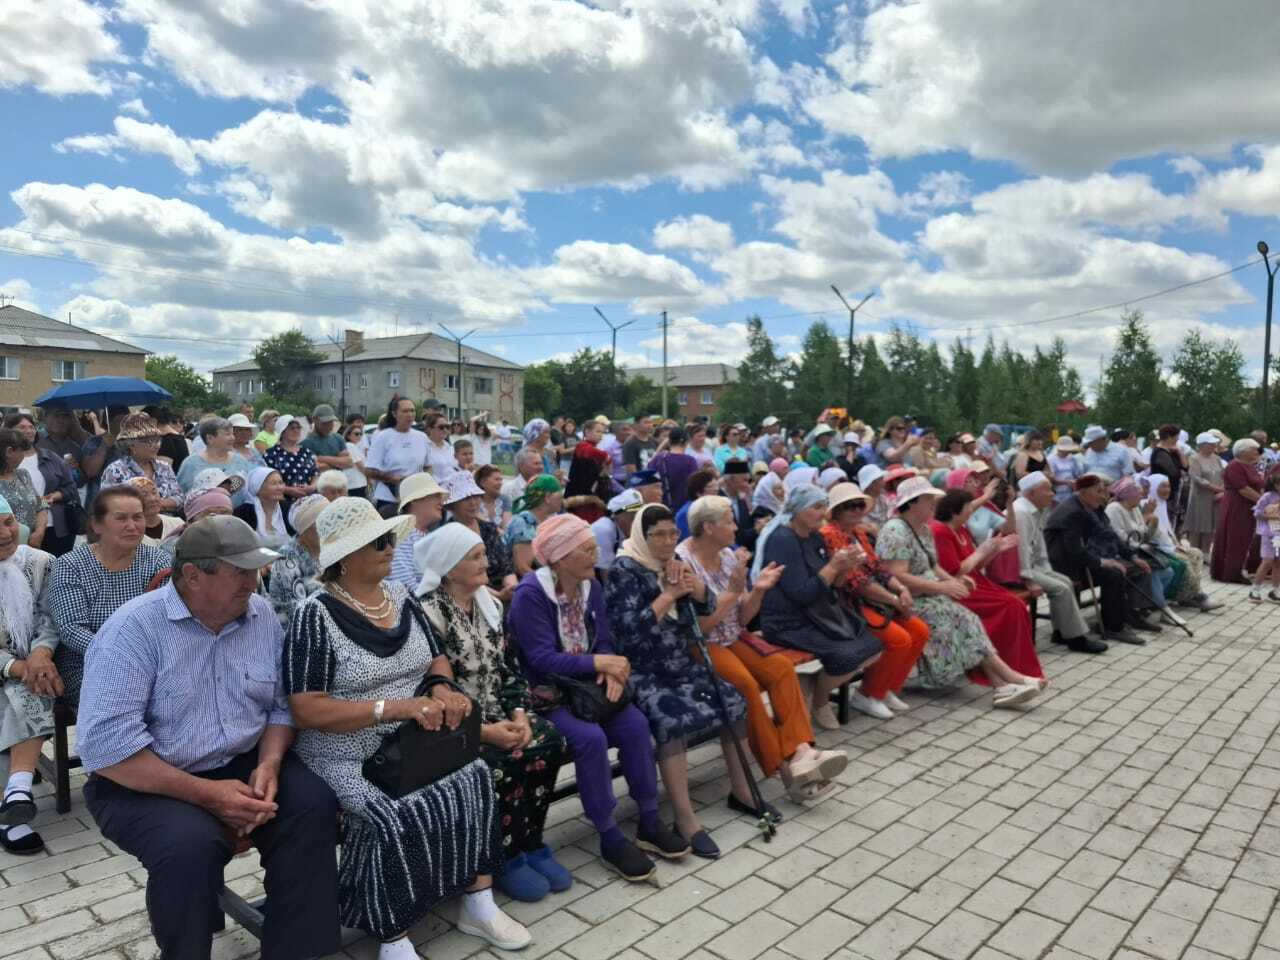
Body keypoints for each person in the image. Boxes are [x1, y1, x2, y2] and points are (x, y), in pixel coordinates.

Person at [78, 516, 341, 960]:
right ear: (193, 576)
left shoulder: (259, 614)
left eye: (255, 569)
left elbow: (280, 705)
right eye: (239, 571)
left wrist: (269, 764)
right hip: (146, 777)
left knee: (312, 805)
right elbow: (108, 749)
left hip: (241, 758)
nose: (253, 582)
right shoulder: (132, 631)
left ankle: (296, 948)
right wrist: (209, 796)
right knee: (189, 847)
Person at [283, 498, 528, 955]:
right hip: (346, 754)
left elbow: (436, 658)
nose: (390, 547)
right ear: (346, 556)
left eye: (389, 538)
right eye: (378, 542)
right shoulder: (313, 616)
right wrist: (393, 708)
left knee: (474, 776)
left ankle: (477, 902)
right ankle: (393, 935)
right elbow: (306, 709)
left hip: (412, 740)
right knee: (391, 812)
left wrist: (441, 688)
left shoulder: (400, 597)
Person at [415, 525, 572, 902]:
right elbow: (429, 688)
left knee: (548, 741)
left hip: (500, 712)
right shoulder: (426, 614)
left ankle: (531, 842)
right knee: (498, 761)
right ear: (449, 567)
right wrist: (485, 731)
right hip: (452, 726)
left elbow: (509, 669)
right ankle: (503, 857)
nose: (486, 563)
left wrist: (519, 714)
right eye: (475, 557)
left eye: (484, 554)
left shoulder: (489, 604)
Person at [507, 516, 668, 881]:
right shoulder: (531, 594)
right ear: (560, 557)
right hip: (548, 694)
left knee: (636, 725)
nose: (595, 555)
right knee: (589, 739)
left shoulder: (590, 585)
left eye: (594, 547)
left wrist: (609, 669)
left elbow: (604, 639)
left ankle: (649, 817)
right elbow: (541, 659)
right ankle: (609, 835)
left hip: (588, 687)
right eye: (586, 549)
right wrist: (599, 663)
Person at [679, 496, 848, 805]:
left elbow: (742, 618)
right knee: (745, 685)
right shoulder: (684, 564)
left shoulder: (727, 555)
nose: (736, 527)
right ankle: (786, 770)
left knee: (781, 669)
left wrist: (758, 589)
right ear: (708, 527)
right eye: (729, 521)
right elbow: (700, 629)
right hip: (701, 645)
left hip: (733, 637)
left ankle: (801, 752)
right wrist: (733, 591)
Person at [606, 505, 746, 859]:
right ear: (643, 536)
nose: (669, 541)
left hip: (681, 663)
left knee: (733, 701)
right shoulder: (624, 569)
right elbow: (628, 633)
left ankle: (743, 792)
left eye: (673, 533)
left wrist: (695, 589)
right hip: (643, 671)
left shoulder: (674, 563)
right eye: (659, 535)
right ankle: (686, 820)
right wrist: (667, 595)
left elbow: (705, 609)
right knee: (671, 721)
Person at [875, 479, 1042, 706]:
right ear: (912, 503)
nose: (934, 504)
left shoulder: (923, 528)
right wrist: (943, 586)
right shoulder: (895, 530)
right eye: (928, 499)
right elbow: (897, 576)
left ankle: (1003, 684)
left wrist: (952, 581)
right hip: (903, 599)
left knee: (967, 618)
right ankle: (1010, 679)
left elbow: (933, 566)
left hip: (925, 595)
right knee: (961, 618)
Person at [755, 486, 884, 728]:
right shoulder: (783, 540)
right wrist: (833, 566)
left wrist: (845, 567)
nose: (823, 513)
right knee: (847, 655)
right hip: (787, 622)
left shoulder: (814, 537)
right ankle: (820, 700)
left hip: (819, 614)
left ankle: (814, 687)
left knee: (873, 645)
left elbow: (835, 585)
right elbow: (801, 594)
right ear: (797, 509)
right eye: (816, 507)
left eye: (824, 507)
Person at [48, 486, 171, 706]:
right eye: (121, 518)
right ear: (96, 525)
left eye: (138, 517)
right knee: (121, 701)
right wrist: (122, 654)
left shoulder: (158, 561)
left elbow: (166, 621)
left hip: (151, 661)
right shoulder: (71, 565)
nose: (132, 526)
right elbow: (71, 629)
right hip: (88, 662)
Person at [819, 483, 932, 717]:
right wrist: (894, 599)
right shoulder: (830, 534)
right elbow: (857, 582)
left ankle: (887, 687)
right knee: (899, 639)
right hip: (847, 605)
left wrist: (901, 588)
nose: (857, 510)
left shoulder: (858, 532)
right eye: (850, 506)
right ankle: (867, 694)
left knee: (920, 631)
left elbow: (878, 568)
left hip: (872, 600)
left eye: (860, 505)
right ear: (837, 510)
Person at [929, 489, 1047, 685]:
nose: (971, 511)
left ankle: (1014, 667)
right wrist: (982, 551)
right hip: (959, 587)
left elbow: (977, 565)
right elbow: (954, 572)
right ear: (955, 510)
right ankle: (1006, 669)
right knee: (1012, 606)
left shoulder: (961, 529)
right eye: (968, 507)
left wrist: (995, 550)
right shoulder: (941, 531)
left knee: (1016, 605)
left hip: (976, 582)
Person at [0, 497, 62, 855]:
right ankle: (15, 796)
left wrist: (40, 653)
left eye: (8, 522)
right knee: (11, 695)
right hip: (10, 669)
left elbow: (52, 616)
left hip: (40, 666)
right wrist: (14, 666)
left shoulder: (41, 562)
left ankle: (15, 796)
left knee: (31, 687)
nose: (4, 533)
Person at [1043, 475, 1150, 644]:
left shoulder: (1093, 507)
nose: (1103, 496)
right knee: (1113, 574)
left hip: (1077, 559)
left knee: (1118, 570)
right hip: (1063, 565)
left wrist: (1132, 556)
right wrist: (1103, 562)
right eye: (1099, 491)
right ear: (1083, 492)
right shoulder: (1073, 511)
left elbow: (1109, 534)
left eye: (1105, 491)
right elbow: (1074, 551)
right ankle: (1113, 627)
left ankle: (1122, 618)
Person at [1011, 473, 1102, 653]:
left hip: (1032, 565)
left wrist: (1048, 571)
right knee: (1061, 588)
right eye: (1047, 490)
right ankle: (1076, 638)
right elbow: (1021, 551)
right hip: (1017, 569)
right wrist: (1029, 580)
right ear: (1031, 493)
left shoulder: (1037, 509)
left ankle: (1060, 632)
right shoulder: (1021, 512)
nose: (1052, 494)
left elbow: (1039, 547)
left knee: (1066, 581)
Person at [7, 414, 79, 555]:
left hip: (55, 527)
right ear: (9, 431)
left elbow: (71, 487)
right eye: (22, 427)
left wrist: (55, 496)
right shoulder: (7, 462)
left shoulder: (50, 457)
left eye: (31, 427)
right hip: (20, 530)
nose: (28, 431)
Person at [442, 471, 517, 603]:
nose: (473, 503)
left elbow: (506, 567)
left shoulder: (488, 528)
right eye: (466, 499)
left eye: (476, 497)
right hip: (470, 597)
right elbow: (461, 580)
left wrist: (512, 588)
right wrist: (498, 596)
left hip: (502, 592)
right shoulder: (448, 535)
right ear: (453, 505)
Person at [100, 414, 183, 513]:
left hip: (166, 520)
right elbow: (108, 504)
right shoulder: (115, 470)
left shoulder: (164, 467)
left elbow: (180, 498)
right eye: (149, 441)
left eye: (157, 440)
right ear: (131, 445)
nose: (156, 445)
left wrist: (157, 505)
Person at [267, 495, 327, 626]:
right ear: (305, 529)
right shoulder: (286, 557)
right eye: (322, 522)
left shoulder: (327, 548)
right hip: (296, 627)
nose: (329, 527)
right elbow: (295, 610)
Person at [1210, 437, 1264, 584]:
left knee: (1244, 537)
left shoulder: (1249, 465)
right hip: (1237, 505)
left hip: (1247, 505)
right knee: (1235, 537)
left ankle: (1239, 568)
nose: (1257, 452)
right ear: (1244, 451)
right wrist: (1262, 501)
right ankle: (1231, 572)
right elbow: (1243, 489)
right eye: (1254, 449)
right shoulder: (1235, 466)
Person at [365, 398, 430, 517]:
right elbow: (369, 470)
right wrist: (393, 478)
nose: (410, 415)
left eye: (412, 411)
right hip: (389, 499)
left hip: (415, 498)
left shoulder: (422, 437)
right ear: (394, 414)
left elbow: (428, 466)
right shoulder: (383, 437)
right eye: (405, 411)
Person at [177, 416, 254, 506]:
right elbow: (181, 495)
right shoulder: (191, 463)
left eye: (232, 434)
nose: (232, 438)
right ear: (210, 438)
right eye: (227, 434)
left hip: (239, 513)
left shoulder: (240, 460)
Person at [387, 473, 446, 588]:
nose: (441, 501)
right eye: (436, 495)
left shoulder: (427, 535)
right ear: (414, 500)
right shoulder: (400, 535)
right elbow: (405, 588)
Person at [506, 475, 563, 577]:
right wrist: (553, 583)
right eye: (560, 496)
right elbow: (523, 568)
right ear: (547, 498)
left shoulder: (549, 521)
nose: (562, 500)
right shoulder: (523, 523)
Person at [0, 428, 48, 549]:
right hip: (6, 548)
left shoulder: (23, 475)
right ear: (9, 451)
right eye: (22, 451)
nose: (24, 456)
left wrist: (39, 532)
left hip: (32, 546)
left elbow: (42, 503)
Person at [563, 418, 612, 523]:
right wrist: (606, 457)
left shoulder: (594, 449)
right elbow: (588, 451)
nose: (601, 435)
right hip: (579, 499)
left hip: (593, 498)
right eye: (598, 431)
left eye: (602, 432)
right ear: (587, 432)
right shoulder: (582, 446)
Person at [234, 467, 294, 550]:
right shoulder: (243, 513)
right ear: (258, 487)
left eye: (281, 483)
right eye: (274, 484)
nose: (279, 487)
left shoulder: (289, 509)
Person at [1185, 431, 1225, 555]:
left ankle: (1206, 552)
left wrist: (1222, 489)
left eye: (1214, 444)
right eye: (1211, 444)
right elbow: (1197, 478)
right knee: (1198, 524)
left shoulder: (1217, 458)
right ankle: (1195, 553)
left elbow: (1223, 475)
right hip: (1201, 496)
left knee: (1211, 525)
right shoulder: (1194, 458)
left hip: (1217, 496)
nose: (1214, 446)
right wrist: (1216, 488)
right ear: (1202, 445)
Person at [591, 489, 642, 574]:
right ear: (618, 515)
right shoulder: (603, 529)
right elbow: (605, 574)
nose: (637, 521)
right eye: (633, 516)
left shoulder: (627, 530)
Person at [650, 427, 699, 512]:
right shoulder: (690, 461)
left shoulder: (659, 458)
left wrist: (661, 447)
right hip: (684, 508)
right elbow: (696, 486)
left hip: (662, 507)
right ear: (686, 442)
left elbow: (648, 469)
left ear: (669, 442)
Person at [1250, 467, 1280, 602]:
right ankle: (1255, 589)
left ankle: (1275, 590)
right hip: (1269, 533)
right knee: (1267, 561)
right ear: (1275, 485)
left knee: (1278, 562)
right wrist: (1270, 515)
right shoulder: (1268, 496)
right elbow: (1257, 513)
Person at [300, 404, 353, 478]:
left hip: (338, 482)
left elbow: (349, 463)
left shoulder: (338, 438)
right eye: (325, 423)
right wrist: (338, 462)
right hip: (318, 483)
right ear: (314, 419)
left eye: (331, 422)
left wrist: (321, 458)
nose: (329, 426)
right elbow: (314, 467)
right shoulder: (306, 443)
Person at [131, 476, 185, 546]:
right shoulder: (131, 532)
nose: (152, 499)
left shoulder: (177, 523)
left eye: (154, 492)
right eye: (144, 495)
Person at [422, 412, 460, 481]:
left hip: (454, 483)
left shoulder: (450, 447)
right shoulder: (423, 447)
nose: (445, 430)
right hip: (434, 485)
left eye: (447, 427)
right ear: (430, 429)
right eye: (441, 427)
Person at [1047, 436, 1083, 503]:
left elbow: (1078, 474)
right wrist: (1066, 482)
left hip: (1071, 493)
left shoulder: (1073, 459)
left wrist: (1075, 481)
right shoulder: (1051, 460)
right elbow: (1051, 478)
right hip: (1056, 494)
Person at [476, 464, 511, 531]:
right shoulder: (473, 501)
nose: (500, 483)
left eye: (501, 480)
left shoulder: (504, 500)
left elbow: (506, 529)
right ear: (483, 482)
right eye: (496, 479)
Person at [340, 422, 369, 498]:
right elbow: (359, 465)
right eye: (356, 434)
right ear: (348, 435)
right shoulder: (350, 446)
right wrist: (369, 477)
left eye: (360, 434)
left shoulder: (354, 446)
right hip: (356, 483)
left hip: (357, 482)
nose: (359, 436)